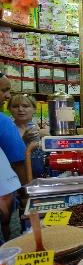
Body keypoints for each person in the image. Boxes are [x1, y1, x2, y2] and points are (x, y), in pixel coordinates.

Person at [0, 72, 27, 242]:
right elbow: (18, 162)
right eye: (4, 91)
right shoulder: (3, 121)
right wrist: (25, 196)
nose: (8, 96)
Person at [8, 94, 46, 179]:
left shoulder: (42, 129)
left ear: (34, 109)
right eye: (15, 106)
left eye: (25, 106)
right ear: (9, 109)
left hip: (41, 178)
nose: (21, 109)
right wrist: (24, 141)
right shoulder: (7, 130)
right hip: (17, 179)